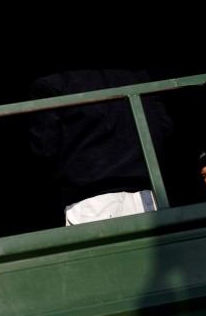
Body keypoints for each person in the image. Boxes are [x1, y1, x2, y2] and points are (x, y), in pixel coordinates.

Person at [29, 69, 174, 225]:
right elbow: (164, 127)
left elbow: (45, 149)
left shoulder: (51, 84)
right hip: (148, 194)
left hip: (93, 198)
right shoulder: (138, 77)